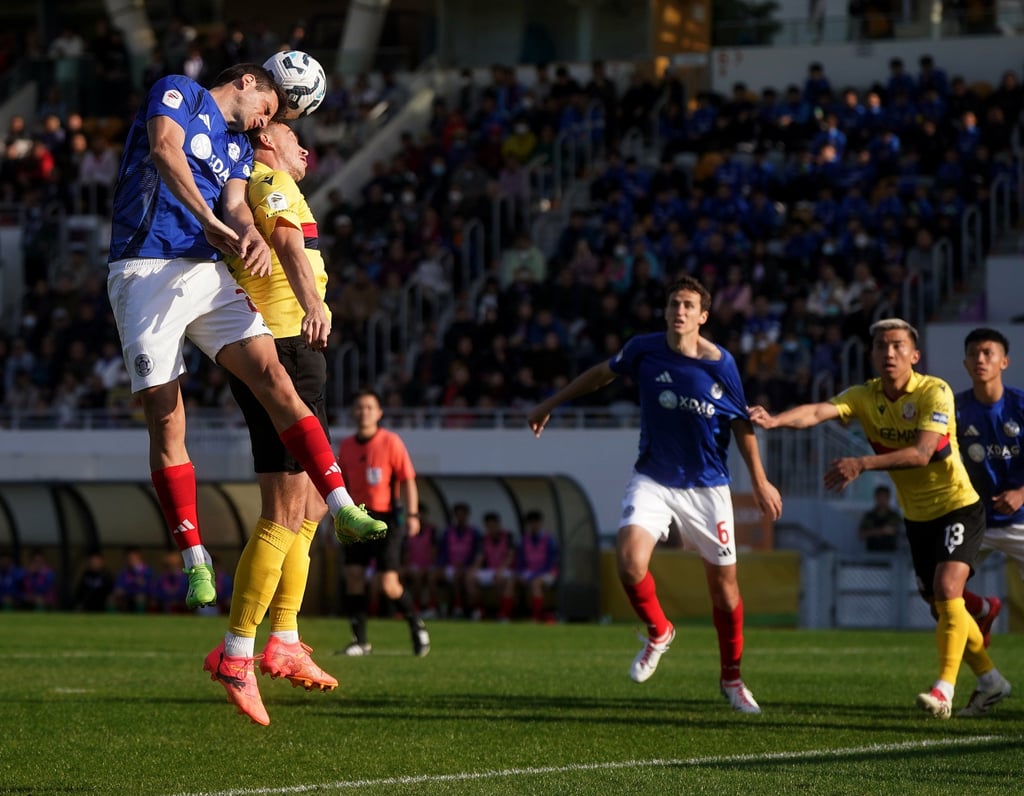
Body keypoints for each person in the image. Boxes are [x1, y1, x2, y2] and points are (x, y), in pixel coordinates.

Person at [106, 63, 386, 619]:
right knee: (167, 417)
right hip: (145, 269)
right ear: (246, 83)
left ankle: (341, 504)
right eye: (269, 108)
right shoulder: (177, 92)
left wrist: (248, 233)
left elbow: (236, 206)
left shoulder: (237, 149)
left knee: (274, 377)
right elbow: (165, 151)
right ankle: (195, 558)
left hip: (207, 271)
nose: (267, 122)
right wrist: (209, 217)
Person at [528, 275, 783, 714]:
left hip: (708, 486)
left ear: (702, 316)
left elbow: (741, 424)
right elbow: (599, 376)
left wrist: (759, 480)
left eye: (688, 305)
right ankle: (659, 630)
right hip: (654, 478)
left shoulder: (721, 365)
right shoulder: (644, 349)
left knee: (725, 591)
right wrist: (552, 402)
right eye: (673, 304)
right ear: (666, 311)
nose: (679, 311)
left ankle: (732, 680)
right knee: (629, 560)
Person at [749, 318, 1011, 719]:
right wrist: (776, 420)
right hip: (918, 515)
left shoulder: (934, 391)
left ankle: (943, 690)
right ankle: (991, 679)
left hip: (958, 504)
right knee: (942, 604)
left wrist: (863, 462)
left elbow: (923, 453)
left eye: (897, 346)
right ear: (871, 355)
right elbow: (819, 410)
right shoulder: (864, 396)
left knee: (945, 588)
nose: (889, 353)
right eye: (881, 347)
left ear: (914, 355)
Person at [204, 120, 342, 726]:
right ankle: (238, 651)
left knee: (309, 509)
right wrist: (313, 303)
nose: (304, 149)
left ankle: (283, 638)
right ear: (264, 142)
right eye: (292, 137)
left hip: (296, 349)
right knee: (284, 511)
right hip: (282, 345)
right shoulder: (267, 179)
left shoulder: (267, 179)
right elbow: (287, 248)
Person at [337, 389, 431, 658]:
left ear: (379, 413)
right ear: (354, 412)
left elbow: (408, 478)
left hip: (386, 518)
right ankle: (360, 640)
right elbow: (339, 484)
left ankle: (417, 625)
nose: (364, 411)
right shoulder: (346, 446)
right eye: (359, 407)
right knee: (353, 576)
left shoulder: (391, 442)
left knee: (388, 584)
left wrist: (413, 515)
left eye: (369, 407)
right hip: (356, 518)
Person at [955, 327, 1024, 653]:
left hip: (1021, 518)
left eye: (987, 353)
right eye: (973, 354)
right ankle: (983, 611)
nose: (980, 359)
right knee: (933, 588)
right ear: (966, 363)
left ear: (1004, 362)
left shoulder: (1020, 406)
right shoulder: (954, 410)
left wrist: (1022, 493)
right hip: (974, 520)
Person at [433, 502, 481, 618]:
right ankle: (435, 608)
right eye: (458, 514)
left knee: (459, 576)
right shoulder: (447, 532)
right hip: (450, 566)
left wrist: (467, 565)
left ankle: (463, 608)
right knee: (433, 577)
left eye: (463, 514)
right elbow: (442, 552)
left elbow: (478, 553)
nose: (460, 517)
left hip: (467, 568)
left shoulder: (474, 533)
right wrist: (440, 566)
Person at [467, 511, 517, 620]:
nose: (491, 528)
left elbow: (510, 556)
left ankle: (504, 613)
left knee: (505, 580)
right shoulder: (484, 539)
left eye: (493, 525)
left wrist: (501, 570)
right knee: (470, 578)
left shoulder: (508, 537)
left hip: (506, 569)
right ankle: (478, 610)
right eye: (488, 526)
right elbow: (480, 557)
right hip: (490, 570)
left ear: (498, 524)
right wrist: (474, 569)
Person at [516, 510, 560, 622]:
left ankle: (535, 617)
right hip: (529, 572)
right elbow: (520, 560)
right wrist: (521, 573)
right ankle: (504, 616)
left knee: (536, 583)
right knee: (511, 581)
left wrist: (532, 576)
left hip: (548, 573)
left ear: (540, 523)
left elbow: (550, 563)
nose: (533, 525)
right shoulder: (524, 540)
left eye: (535, 522)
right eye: (530, 523)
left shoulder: (549, 539)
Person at [858, 484, 902, 552]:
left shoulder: (894, 516)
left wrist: (893, 531)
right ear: (876, 498)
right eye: (880, 497)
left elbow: (902, 533)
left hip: (891, 554)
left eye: (884, 497)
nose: (882, 500)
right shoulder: (869, 516)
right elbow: (861, 535)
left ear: (888, 498)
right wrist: (880, 531)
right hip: (872, 554)